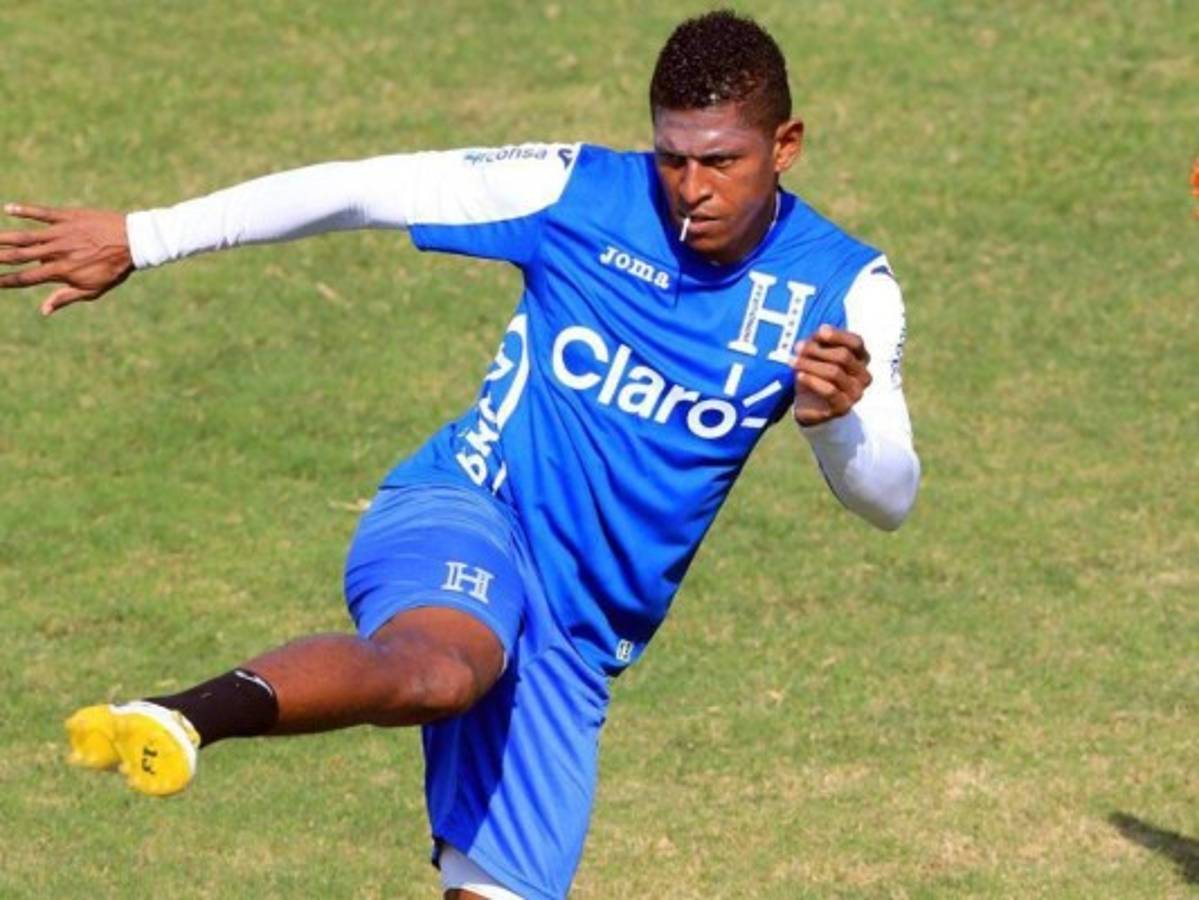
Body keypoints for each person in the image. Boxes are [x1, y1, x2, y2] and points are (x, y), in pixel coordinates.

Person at [0, 11, 919, 899]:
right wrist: (145, 236)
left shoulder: (844, 290)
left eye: (720, 162)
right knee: (440, 671)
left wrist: (829, 419)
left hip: (576, 640)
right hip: (470, 507)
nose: (690, 189)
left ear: (784, 145)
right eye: (671, 158)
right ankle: (182, 717)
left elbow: (889, 500)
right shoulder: (575, 192)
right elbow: (365, 188)